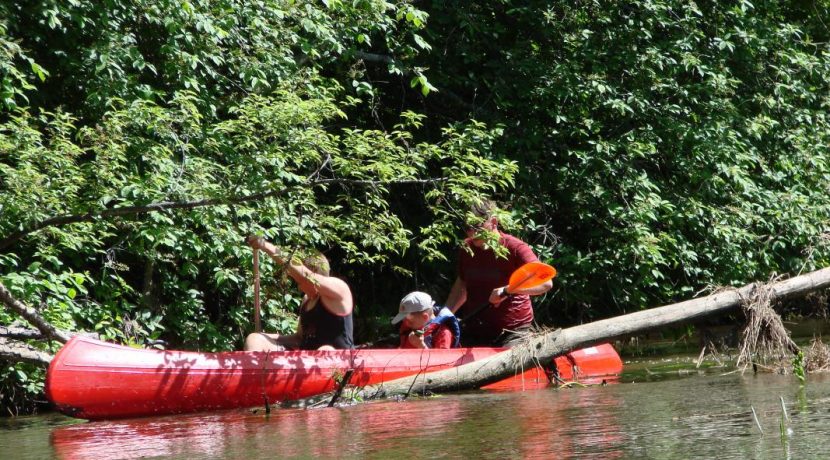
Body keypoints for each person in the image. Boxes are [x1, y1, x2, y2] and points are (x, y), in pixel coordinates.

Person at [445, 200, 552, 347]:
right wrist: (446, 313)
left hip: (513, 333)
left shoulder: (515, 247)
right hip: (475, 331)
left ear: (493, 222)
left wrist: (507, 290)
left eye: (477, 227)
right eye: (468, 227)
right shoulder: (467, 248)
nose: (472, 232)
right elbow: (462, 283)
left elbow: (545, 282)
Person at [244, 236, 354, 351]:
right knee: (254, 339)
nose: (298, 286)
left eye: (297, 280)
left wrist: (265, 246)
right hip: (304, 361)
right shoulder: (307, 300)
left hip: (337, 362)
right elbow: (299, 338)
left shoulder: (339, 288)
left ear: (314, 274)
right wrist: (262, 337)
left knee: (325, 350)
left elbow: (304, 276)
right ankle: (259, 368)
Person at [392, 291, 460, 349]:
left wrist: (421, 346)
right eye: (403, 319)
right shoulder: (410, 327)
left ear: (425, 317)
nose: (405, 323)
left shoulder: (443, 333)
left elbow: (442, 362)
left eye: (410, 321)